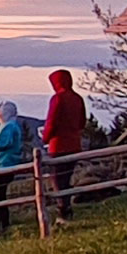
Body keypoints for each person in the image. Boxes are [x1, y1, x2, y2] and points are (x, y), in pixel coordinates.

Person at [43, 68, 90, 212]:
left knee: (57, 179)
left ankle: (63, 208)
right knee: (66, 177)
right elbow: (82, 122)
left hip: (58, 145)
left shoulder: (58, 98)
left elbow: (52, 122)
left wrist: (45, 137)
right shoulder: (77, 98)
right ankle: (66, 205)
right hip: (74, 144)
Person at [0, 100, 32, 231]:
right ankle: (3, 224)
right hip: (3, 164)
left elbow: (0, 143)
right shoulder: (9, 125)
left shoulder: (8, 127)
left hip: (3, 165)